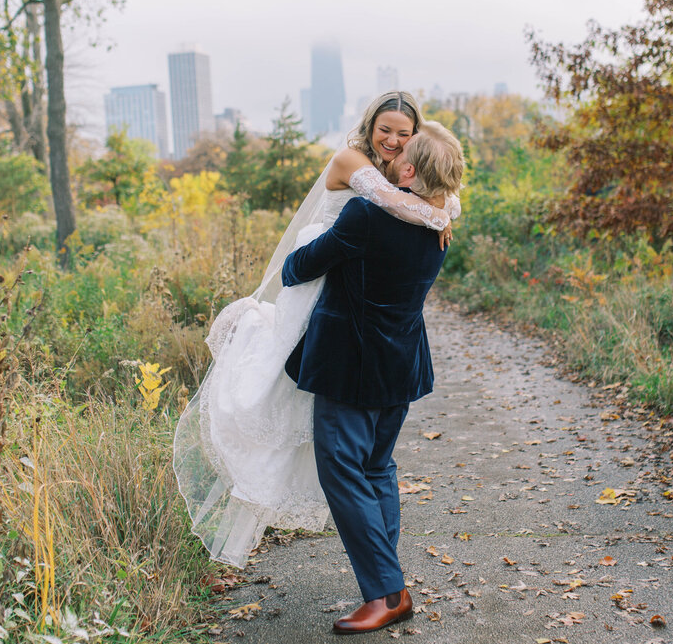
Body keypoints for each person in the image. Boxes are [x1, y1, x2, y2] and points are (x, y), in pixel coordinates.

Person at [172, 92, 460, 567]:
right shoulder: (360, 168)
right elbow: (391, 201)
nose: (391, 140)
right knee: (369, 462)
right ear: (369, 128)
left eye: (403, 135)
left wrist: (436, 207)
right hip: (365, 332)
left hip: (349, 336)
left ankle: (386, 583)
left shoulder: (385, 207)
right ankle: (386, 578)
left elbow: (339, 240)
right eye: (384, 130)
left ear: (413, 147)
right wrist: (439, 212)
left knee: (350, 464)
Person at [281, 121, 465, 634]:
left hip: (352, 368)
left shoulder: (366, 214)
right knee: (377, 468)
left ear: (407, 169)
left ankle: (388, 593)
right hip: (399, 363)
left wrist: (308, 240)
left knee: (342, 470)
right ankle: (388, 581)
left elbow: (298, 269)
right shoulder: (439, 220)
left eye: (402, 149)